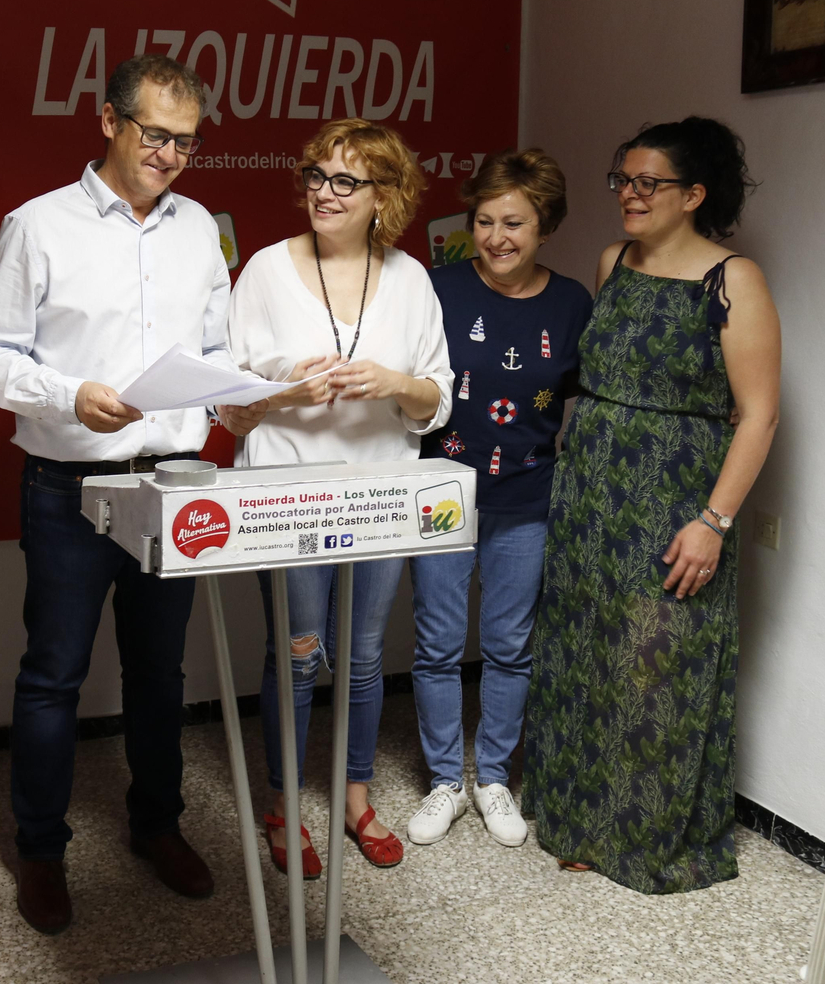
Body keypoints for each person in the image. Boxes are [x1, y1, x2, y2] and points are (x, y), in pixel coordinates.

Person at [0, 54, 245, 933]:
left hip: (171, 482)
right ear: (108, 121)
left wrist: (212, 404)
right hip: (70, 485)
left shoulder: (200, 228)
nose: (169, 154)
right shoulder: (39, 225)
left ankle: (156, 826)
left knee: (160, 672)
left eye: (187, 142)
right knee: (53, 674)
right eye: (155, 134)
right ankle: (42, 850)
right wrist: (67, 393)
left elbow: (216, 349)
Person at [523, 117, 780, 893]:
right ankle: (577, 819)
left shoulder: (734, 280)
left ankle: (648, 837)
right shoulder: (613, 262)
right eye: (622, 180)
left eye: (647, 183)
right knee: (582, 653)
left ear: (693, 195)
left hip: (675, 500)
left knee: (656, 665)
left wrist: (714, 523)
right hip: (592, 492)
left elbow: (760, 414)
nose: (629, 195)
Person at [227, 117, 451, 876]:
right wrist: (287, 385)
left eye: (344, 181)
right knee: (295, 655)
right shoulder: (263, 270)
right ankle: (284, 804)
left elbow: (435, 399)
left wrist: (391, 381)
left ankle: (355, 795)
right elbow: (228, 405)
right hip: (285, 492)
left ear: (383, 196)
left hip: (381, 494)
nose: (324, 192)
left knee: (360, 657)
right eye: (317, 176)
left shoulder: (413, 279)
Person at [405, 150, 592, 849]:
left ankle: (492, 780)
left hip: (527, 494)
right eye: (484, 220)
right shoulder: (438, 286)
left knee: (511, 644)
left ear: (545, 225)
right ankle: (445, 782)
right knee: (437, 642)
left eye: (514, 222)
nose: (496, 237)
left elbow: (590, 391)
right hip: (442, 489)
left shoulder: (572, 302)